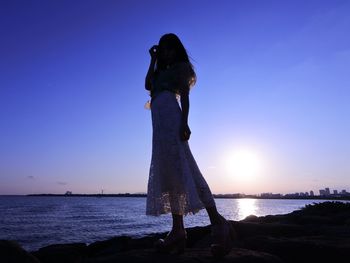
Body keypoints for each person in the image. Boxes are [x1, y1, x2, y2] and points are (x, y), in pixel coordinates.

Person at [144, 33, 236, 257]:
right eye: (163, 49)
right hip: (159, 128)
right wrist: (153, 59)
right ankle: (178, 231)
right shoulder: (159, 72)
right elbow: (148, 85)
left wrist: (184, 122)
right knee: (170, 173)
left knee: (185, 168)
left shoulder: (181, 68)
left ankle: (218, 223)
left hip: (172, 120)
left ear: (177, 50)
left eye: (170, 48)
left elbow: (184, 96)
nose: (166, 52)